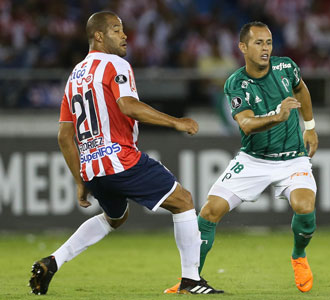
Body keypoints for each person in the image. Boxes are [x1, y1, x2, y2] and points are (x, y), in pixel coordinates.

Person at [28, 11, 222, 295]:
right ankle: (191, 280)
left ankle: (53, 261)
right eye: (117, 30)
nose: (125, 35)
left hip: (93, 168)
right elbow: (128, 105)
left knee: (115, 217)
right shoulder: (115, 64)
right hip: (120, 159)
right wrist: (176, 121)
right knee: (183, 201)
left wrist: (80, 180)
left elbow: (64, 136)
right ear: (98, 36)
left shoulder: (74, 76)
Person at [165, 21, 318, 294]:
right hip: (253, 159)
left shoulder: (286, 67)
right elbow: (246, 124)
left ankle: (298, 255)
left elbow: (302, 90)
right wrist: (278, 116)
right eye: (259, 43)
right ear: (243, 47)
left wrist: (310, 127)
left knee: (305, 207)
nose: (265, 49)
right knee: (209, 211)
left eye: (269, 42)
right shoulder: (236, 83)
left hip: (292, 158)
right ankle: (190, 279)